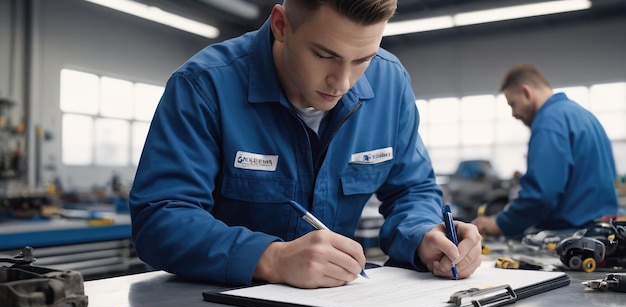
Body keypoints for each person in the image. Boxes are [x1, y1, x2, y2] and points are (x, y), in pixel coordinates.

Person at [129, 0, 482, 289]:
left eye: (362, 60)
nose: (342, 81)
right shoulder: (205, 86)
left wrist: (423, 234)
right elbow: (161, 219)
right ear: (281, 26)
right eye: (324, 55)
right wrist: (270, 257)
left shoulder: (390, 82)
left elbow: (413, 189)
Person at [473, 64, 618, 238]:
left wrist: (499, 223)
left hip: (572, 235)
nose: (513, 113)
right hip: (602, 231)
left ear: (526, 92)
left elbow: (541, 195)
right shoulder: (583, 115)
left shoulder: (549, 122)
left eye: (513, 104)